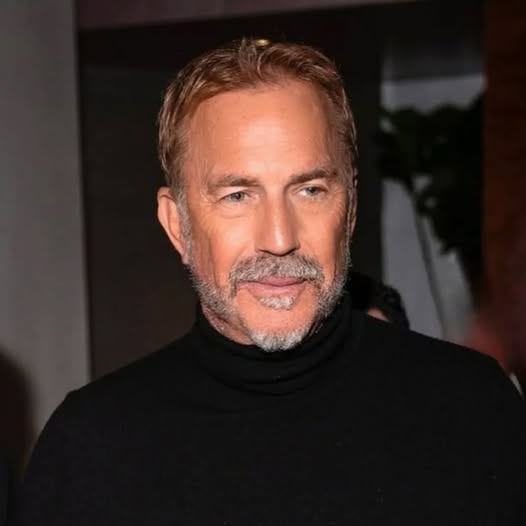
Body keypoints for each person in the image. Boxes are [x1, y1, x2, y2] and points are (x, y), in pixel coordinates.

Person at [17, 38, 526, 525]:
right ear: (177, 225)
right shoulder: (91, 446)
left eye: (309, 190)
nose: (279, 239)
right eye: (238, 195)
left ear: (349, 207)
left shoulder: (471, 409)